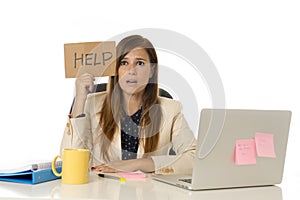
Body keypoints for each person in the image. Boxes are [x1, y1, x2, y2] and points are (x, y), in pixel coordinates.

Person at [61, 35, 196, 174]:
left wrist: (139, 164)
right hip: (101, 191)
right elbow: (69, 162)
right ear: (115, 69)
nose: (131, 70)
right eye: (124, 63)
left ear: (151, 70)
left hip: (149, 193)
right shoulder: (90, 104)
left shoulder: (171, 109)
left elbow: (194, 158)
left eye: (140, 63)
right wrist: (80, 100)